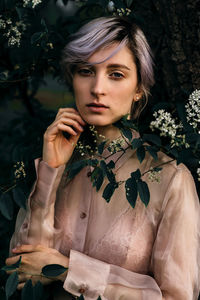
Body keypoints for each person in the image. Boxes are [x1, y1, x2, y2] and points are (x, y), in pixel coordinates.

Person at [5, 16, 200, 300]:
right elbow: (21, 271)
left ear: (138, 89)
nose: (97, 88)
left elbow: (176, 296)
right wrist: (51, 171)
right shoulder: (56, 164)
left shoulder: (170, 178)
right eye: (86, 71)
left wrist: (69, 271)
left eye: (116, 74)